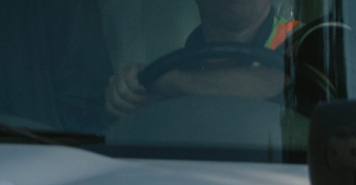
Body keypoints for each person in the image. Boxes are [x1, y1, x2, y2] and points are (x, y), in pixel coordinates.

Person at [105, 0, 301, 118]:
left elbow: (284, 82)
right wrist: (128, 91)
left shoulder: (307, 37)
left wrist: (171, 84)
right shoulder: (176, 66)